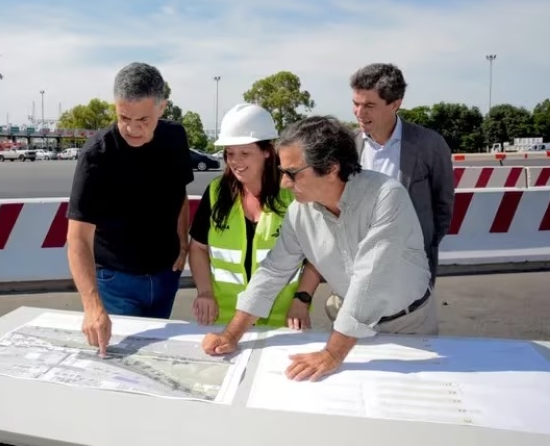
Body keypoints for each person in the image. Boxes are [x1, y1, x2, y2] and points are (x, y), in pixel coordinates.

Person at [202, 115, 437, 382]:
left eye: (292, 174)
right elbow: (272, 273)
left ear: (331, 168)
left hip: (408, 326)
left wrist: (332, 354)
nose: (284, 184)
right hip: (347, 328)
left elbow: (370, 281)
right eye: (282, 173)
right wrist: (231, 335)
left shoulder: (386, 197)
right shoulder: (299, 212)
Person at [66, 62, 193, 356]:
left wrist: (183, 245)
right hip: (116, 282)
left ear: (163, 107)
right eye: (124, 117)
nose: (132, 129)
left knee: (154, 357)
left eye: (143, 120)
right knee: (120, 365)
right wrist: (92, 305)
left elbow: (180, 196)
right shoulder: (95, 156)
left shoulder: (176, 138)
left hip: (166, 276)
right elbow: (77, 239)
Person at [187, 103, 320, 330]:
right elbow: (198, 247)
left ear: (267, 151)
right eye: (230, 154)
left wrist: (302, 299)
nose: (236, 162)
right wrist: (205, 293)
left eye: (245, 153)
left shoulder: (294, 195)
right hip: (225, 320)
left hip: (282, 320)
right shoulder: (216, 191)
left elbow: (316, 257)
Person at [349, 63, 454, 287]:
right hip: (358, 268)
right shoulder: (346, 147)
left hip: (410, 268)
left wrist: (425, 243)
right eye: (356, 103)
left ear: (395, 104)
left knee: (410, 322)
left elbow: (442, 205)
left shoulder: (430, 145)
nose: (359, 112)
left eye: (369, 105)